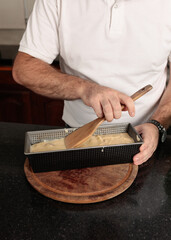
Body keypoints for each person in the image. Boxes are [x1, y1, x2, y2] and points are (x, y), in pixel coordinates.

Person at [12, 0, 171, 165]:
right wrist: (83, 88)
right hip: (76, 136)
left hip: (147, 138)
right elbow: (24, 68)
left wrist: (157, 125)